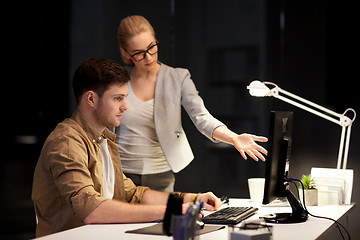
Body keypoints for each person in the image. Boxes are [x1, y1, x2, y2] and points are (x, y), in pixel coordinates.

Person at [31, 58, 221, 237]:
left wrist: (193, 200)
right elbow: (92, 210)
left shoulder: (102, 138)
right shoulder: (67, 142)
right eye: (117, 98)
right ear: (91, 99)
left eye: (125, 97)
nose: (125, 106)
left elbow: (132, 194)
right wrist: (173, 211)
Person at [115, 15, 268, 192]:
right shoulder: (117, 80)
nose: (148, 57)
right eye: (139, 53)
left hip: (160, 173)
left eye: (151, 47)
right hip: (121, 172)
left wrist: (233, 138)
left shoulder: (178, 77)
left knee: (160, 218)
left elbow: (201, 116)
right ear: (126, 53)